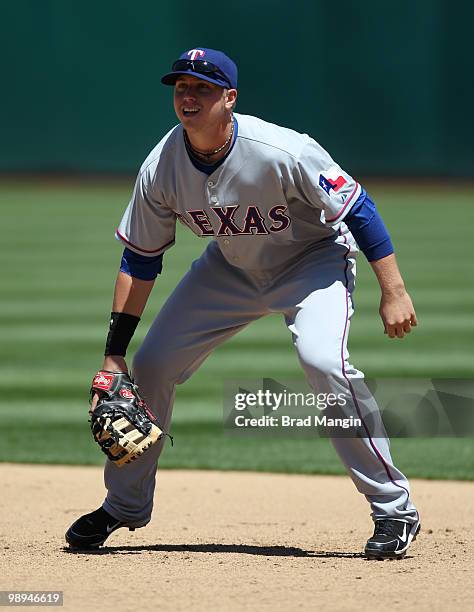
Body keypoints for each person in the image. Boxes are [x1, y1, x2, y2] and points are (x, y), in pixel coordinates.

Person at [65, 47, 420, 559]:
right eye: (181, 87)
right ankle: (124, 505)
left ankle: (393, 509)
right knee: (151, 363)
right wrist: (112, 353)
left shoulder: (282, 150)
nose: (188, 96)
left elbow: (358, 207)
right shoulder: (160, 167)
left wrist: (395, 289)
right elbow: (140, 260)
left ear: (229, 98)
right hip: (229, 268)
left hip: (311, 260)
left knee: (325, 362)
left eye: (202, 88)